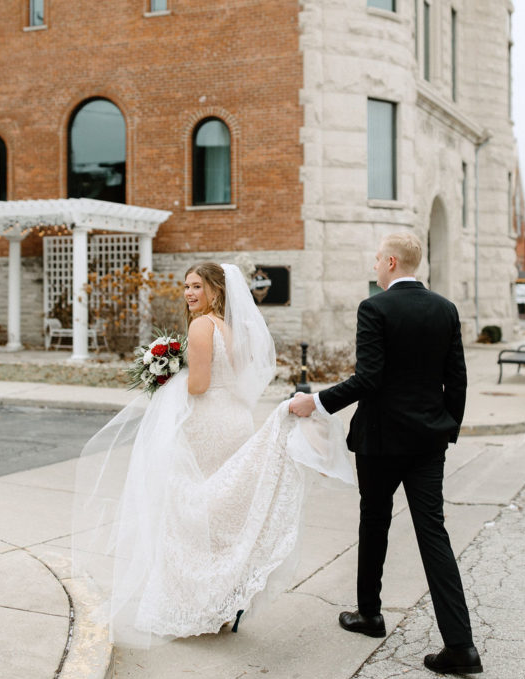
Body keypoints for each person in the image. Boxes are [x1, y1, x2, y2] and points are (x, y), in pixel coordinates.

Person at [72, 261, 353, 647]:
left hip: (206, 424)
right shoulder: (231, 328)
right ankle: (220, 604)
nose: (189, 294)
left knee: (193, 512)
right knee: (222, 514)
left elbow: (200, 385)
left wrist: (166, 377)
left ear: (216, 291)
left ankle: (197, 605)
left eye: (197, 287)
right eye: (186, 286)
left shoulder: (201, 326)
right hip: (234, 418)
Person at [290, 232, 483, 675]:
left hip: (380, 441)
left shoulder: (374, 307)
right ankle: (461, 645)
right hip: (428, 441)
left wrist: (315, 401)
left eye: (377, 259)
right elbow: (458, 379)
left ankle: (370, 614)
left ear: (392, 262)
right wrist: (447, 428)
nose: (373, 266)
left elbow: (369, 378)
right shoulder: (445, 309)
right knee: (433, 533)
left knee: (374, 521)